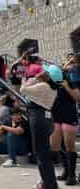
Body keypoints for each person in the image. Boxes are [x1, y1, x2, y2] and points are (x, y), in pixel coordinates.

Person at [21, 65, 59, 189]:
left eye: (44, 71)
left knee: (41, 154)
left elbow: (23, 89)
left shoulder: (43, 86)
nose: (41, 72)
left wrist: (30, 79)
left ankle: (49, 184)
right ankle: (47, 182)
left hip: (38, 117)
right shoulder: (51, 88)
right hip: (45, 118)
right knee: (43, 152)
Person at [50, 54, 80, 186]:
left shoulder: (70, 80)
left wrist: (67, 87)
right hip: (56, 116)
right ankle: (66, 171)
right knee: (59, 145)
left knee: (69, 146)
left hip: (69, 115)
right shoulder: (52, 82)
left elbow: (78, 98)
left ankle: (72, 175)